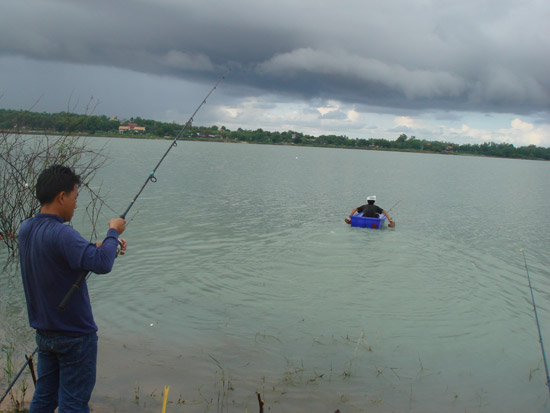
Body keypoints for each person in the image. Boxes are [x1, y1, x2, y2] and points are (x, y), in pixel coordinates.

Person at [18, 165, 127, 412]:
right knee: (74, 404)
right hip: (75, 336)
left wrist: (106, 245)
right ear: (61, 197)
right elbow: (101, 263)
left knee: (44, 399)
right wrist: (113, 231)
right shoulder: (62, 233)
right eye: (75, 198)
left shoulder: (26, 229)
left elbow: (71, 254)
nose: (76, 205)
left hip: (45, 334)